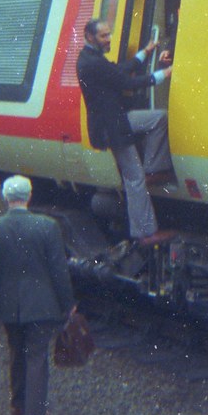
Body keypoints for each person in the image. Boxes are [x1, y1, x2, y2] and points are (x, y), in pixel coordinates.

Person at [0, 175, 76, 415]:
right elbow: (59, 270)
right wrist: (68, 305)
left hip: (8, 305)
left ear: (5, 197)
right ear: (29, 196)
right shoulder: (47, 227)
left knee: (16, 353)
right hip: (42, 305)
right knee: (36, 358)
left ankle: (19, 405)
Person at [76, 18, 174, 245]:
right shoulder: (92, 63)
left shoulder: (90, 58)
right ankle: (145, 233)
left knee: (158, 118)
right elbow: (126, 82)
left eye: (109, 34)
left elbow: (118, 70)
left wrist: (145, 52)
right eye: (103, 36)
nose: (108, 39)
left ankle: (154, 168)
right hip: (113, 128)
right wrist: (163, 75)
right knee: (134, 178)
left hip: (115, 121)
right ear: (90, 37)